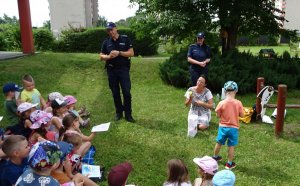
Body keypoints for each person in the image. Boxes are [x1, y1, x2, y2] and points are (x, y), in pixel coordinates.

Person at [99, 22, 135, 123]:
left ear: (116, 28)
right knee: (115, 93)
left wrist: (119, 53)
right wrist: (108, 56)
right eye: (108, 30)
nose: (110, 32)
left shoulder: (125, 39)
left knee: (126, 92)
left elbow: (131, 53)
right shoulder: (106, 42)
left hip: (123, 70)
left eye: (111, 29)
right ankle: (119, 113)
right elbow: (101, 56)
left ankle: (128, 114)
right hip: (111, 70)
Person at [212, 81, 244, 169]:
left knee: (219, 142)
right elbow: (242, 115)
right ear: (236, 91)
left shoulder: (221, 103)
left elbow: (218, 115)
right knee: (231, 146)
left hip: (223, 127)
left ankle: (215, 158)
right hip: (233, 128)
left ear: (225, 91)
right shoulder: (238, 103)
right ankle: (229, 164)